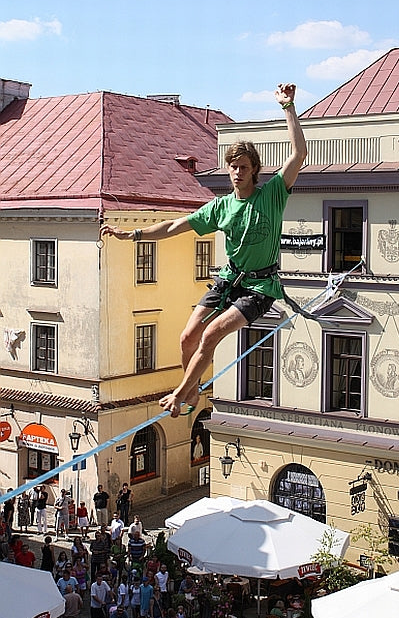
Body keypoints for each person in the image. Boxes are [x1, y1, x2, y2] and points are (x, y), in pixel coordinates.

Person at [100, 83, 306, 419]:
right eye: (233, 167)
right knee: (186, 338)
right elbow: (173, 226)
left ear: (254, 169)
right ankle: (192, 392)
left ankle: (182, 394)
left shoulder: (271, 195)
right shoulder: (221, 207)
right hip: (228, 281)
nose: (237, 173)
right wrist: (132, 234)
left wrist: (288, 107)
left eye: (243, 167)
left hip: (259, 287)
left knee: (210, 334)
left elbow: (298, 154)